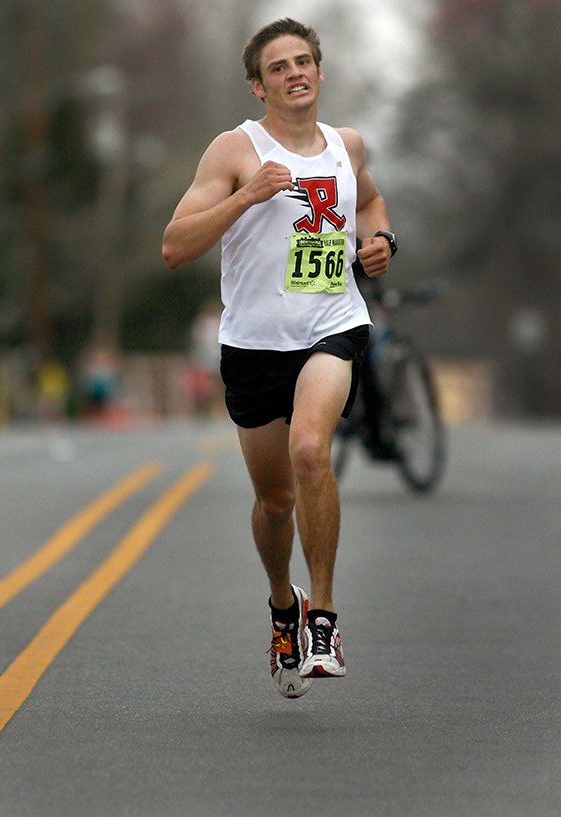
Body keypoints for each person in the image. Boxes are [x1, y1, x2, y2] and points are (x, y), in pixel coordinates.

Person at [162, 18, 397, 698]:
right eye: (279, 66)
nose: (294, 73)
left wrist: (380, 238)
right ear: (258, 86)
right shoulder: (236, 150)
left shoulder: (346, 147)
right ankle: (283, 604)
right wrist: (247, 196)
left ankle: (323, 616)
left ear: (320, 73)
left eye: (304, 62)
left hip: (332, 324)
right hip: (254, 343)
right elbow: (176, 246)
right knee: (273, 502)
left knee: (309, 450)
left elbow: (372, 201)